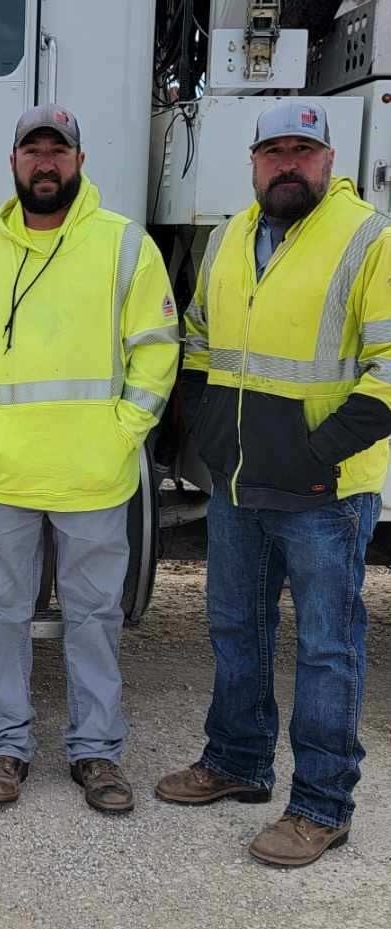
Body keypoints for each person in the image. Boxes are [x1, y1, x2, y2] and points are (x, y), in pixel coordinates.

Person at [155, 100, 391, 867]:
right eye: (273, 151)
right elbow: (195, 337)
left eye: (303, 150)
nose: (286, 163)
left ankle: (321, 805)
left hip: (324, 491)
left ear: (329, 160)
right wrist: (210, 438)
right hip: (237, 483)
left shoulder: (367, 239)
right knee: (234, 629)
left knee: (326, 648)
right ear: (252, 160)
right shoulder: (228, 236)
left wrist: (315, 451)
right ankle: (236, 762)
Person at [0, 103, 179, 811]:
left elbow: (157, 350)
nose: (45, 162)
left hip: (93, 475)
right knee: (0, 614)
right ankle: (1, 747)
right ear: (12, 163)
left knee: (94, 617)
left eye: (57, 150)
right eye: (32, 150)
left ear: (79, 161)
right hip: (5, 471)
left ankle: (96, 752)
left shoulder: (123, 245)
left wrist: (120, 432)